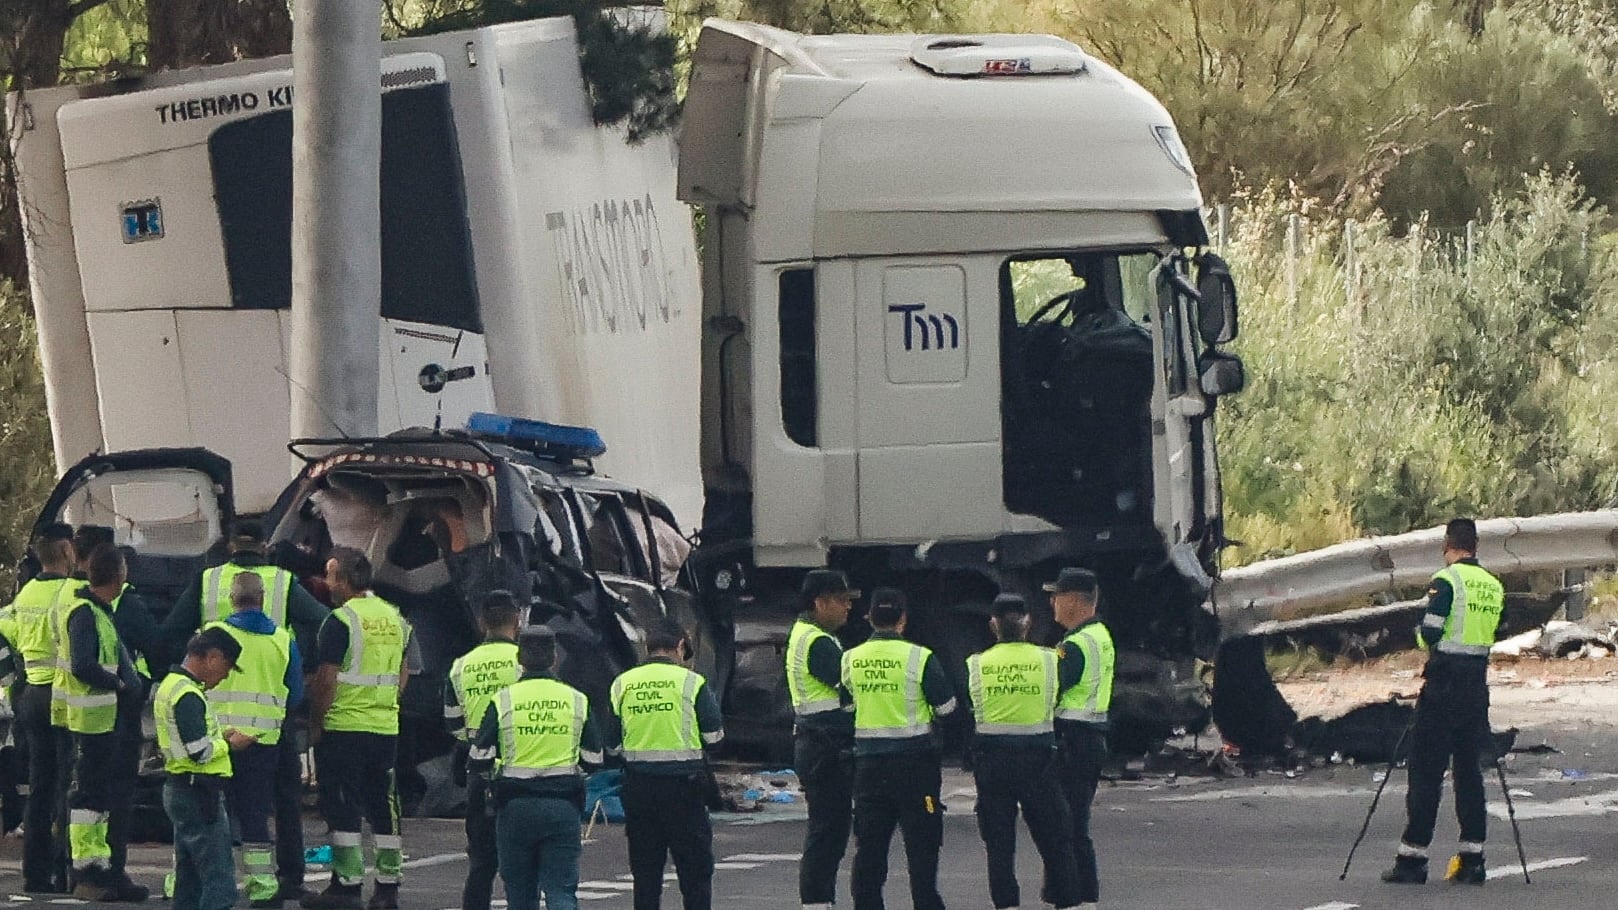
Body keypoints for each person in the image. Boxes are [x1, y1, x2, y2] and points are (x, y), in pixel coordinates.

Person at [168, 519, 330, 902]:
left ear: (229, 546)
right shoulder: (283, 602)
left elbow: (171, 634)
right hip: (268, 734)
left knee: (201, 811)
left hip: (215, 730)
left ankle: (187, 882)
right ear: (265, 546)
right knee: (273, 807)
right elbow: (322, 626)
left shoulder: (208, 591)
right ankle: (280, 880)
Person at [1382, 518, 1504, 886]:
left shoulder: (1446, 581)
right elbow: (1497, 628)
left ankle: (1413, 859)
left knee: (1425, 771)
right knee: (1469, 772)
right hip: (1475, 688)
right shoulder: (1493, 586)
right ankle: (1472, 859)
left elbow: (1432, 631)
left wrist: (1419, 636)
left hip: (1442, 687)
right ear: (1476, 546)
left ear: (1447, 545)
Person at [302, 548, 415, 910]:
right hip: (384, 727)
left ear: (345, 580)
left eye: (330, 575)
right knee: (384, 805)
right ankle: (387, 888)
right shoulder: (396, 618)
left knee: (343, 807)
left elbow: (326, 680)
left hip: (344, 727)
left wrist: (317, 725)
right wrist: (384, 703)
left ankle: (346, 887)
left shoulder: (340, 621)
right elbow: (403, 673)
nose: (326, 582)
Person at [469, 625, 602, 910]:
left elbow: (478, 758)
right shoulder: (577, 700)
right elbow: (594, 759)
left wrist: (498, 775)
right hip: (563, 808)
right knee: (562, 892)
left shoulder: (503, 700)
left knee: (519, 895)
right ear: (554, 657)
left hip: (515, 809)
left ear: (520, 659)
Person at [841, 588, 957, 910]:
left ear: (870, 618)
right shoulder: (920, 657)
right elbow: (947, 707)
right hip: (915, 766)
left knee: (870, 850)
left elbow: (848, 708)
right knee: (922, 848)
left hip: (868, 769)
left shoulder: (850, 659)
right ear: (903, 620)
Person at [968, 593, 1083, 910]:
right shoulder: (1049, 659)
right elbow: (1063, 689)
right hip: (1040, 762)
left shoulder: (976, 664)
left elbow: (968, 707)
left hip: (992, 763)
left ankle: (1007, 906)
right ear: (1028, 623)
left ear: (993, 624)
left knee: (999, 846)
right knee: (1056, 841)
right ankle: (1069, 904)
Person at [609, 616, 725, 910]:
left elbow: (611, 744)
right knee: (695, 873)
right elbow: (714, 737)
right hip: (684, 790)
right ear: (681, 646)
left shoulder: (622, 683)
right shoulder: (692, 682)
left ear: (647, 648)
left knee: (646, 876)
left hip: (639, 788)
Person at [205, 571, 303, 907]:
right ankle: (262, 885)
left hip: (216, 740)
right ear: (262, 599)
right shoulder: (282, 638)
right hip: (263, 741)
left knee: (208, 814)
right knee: (255, 816)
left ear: (232, 599)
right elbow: (296, 693)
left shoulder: (214, 636)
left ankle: (202, 883)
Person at [57, 545, 147, 901]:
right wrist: (120, 684)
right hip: (93, 722)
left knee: (102, 800)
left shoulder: (96, 611)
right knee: (89, 801)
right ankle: (88, 871)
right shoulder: (85, 613)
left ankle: (103, 869)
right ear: (120, 575)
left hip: (105, 721)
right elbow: (83, 665)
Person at [156, 627, 255, 910]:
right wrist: (230, 744)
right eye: (226, 667)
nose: (225, 676)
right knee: (219, 879)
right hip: (199, 791)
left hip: (181, 786)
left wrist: (218, 736)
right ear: (212, 657)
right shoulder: (188, 694)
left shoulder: (172, 685)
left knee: (189, 880)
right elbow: (199, 752)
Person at [445, 592, 522, 910]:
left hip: (479, 769)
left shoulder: (461, 666)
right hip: (520, 768)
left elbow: (453, 723)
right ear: (517, 622)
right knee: (520, 862)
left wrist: (475, 739)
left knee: (480, 862)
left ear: (481, 623)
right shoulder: (525, 660)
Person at [786, 570, 857, 910]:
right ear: (820, 602)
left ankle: (818, 900)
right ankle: (817, 901)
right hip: (824, 744)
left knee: (828, 827)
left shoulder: (807, 634)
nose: (848, 608)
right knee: (828, 830)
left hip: (816, 743)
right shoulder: (818, 643)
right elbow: (850, 689)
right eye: (842, 601)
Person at [10, 530, 76, 892]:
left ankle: (34, 873)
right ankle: (66, 869)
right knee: (68, 784)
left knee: (40, 785)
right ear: (67, 551)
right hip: (64, 694)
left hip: (33, 692)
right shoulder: (69, 593)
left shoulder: (25, 594)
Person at [1048, 567, 1113, 910]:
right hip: (1091, 737)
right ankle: (1084, 891)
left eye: (1056, 595)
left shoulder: (1074, 646)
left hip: (1073, 738)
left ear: (1072, 601)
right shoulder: (1100, 634)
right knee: (1077, 819)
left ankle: (1069, 893)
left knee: (1066, 821)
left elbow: (1053, 689)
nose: (1052, 602)